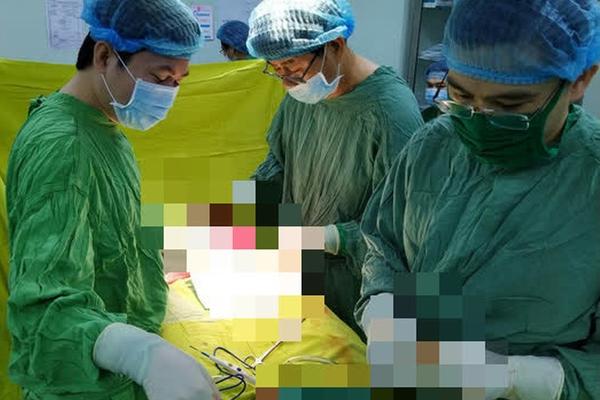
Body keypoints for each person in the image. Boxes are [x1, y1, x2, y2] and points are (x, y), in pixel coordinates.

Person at [357, 0, 600, 399]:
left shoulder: (590, 178)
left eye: (510, 106)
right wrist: (382, 311)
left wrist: (513, 376)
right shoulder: (434, 143)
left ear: (580, 80)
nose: (480, 121)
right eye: (461, 97)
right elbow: (383, 243)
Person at [5, 0, 220, 399]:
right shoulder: (63, 145)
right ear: (104, 56)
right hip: (85, 381)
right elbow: (43, 313)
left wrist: (166, 257)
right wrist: (140, 355)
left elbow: (111, 230)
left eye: (178, 81)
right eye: (161, 77)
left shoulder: (101, 123)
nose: (169, 93)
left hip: (121, 352)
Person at [247, 0, 424, 337]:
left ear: (336, 45)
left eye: (292, 65)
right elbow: (278, 164)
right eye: (275, 68)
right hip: (302, 275)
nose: (285, 81)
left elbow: (405, 227)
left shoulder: (391, 113)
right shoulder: (304, 94)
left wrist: (332, 238)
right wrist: (245, 212)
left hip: (358, 290)